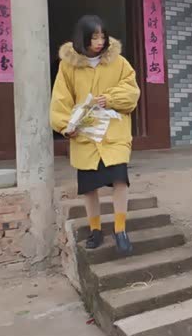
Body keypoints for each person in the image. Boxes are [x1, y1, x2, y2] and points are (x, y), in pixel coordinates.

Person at [50, 15, 141, 255]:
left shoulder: (119, 62)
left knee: (120, 181)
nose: (100, 42)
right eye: (94, 37)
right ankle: (96, 230)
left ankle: (120, 229)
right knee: (89, 187)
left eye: (102, 36)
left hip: (114, 133)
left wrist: (110, 99)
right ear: (82, 39)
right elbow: (60, 98)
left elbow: (132, 91)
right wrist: (65, 125)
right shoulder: (68, 66)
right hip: (85, 135)